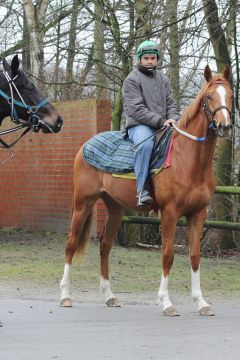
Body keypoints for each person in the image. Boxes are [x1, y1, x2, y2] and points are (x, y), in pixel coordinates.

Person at [122, 40, 180, 207]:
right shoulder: (131, 80)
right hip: (139, 125)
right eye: (146, 58)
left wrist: (174, 119)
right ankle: (141, 190)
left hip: (164, 124)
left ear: (157, 59)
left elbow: (171, 103)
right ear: (140, 59)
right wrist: (161, 121)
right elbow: (137, 109)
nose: (150, 61)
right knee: (145, 144)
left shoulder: (163, 78)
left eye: (153, 58)